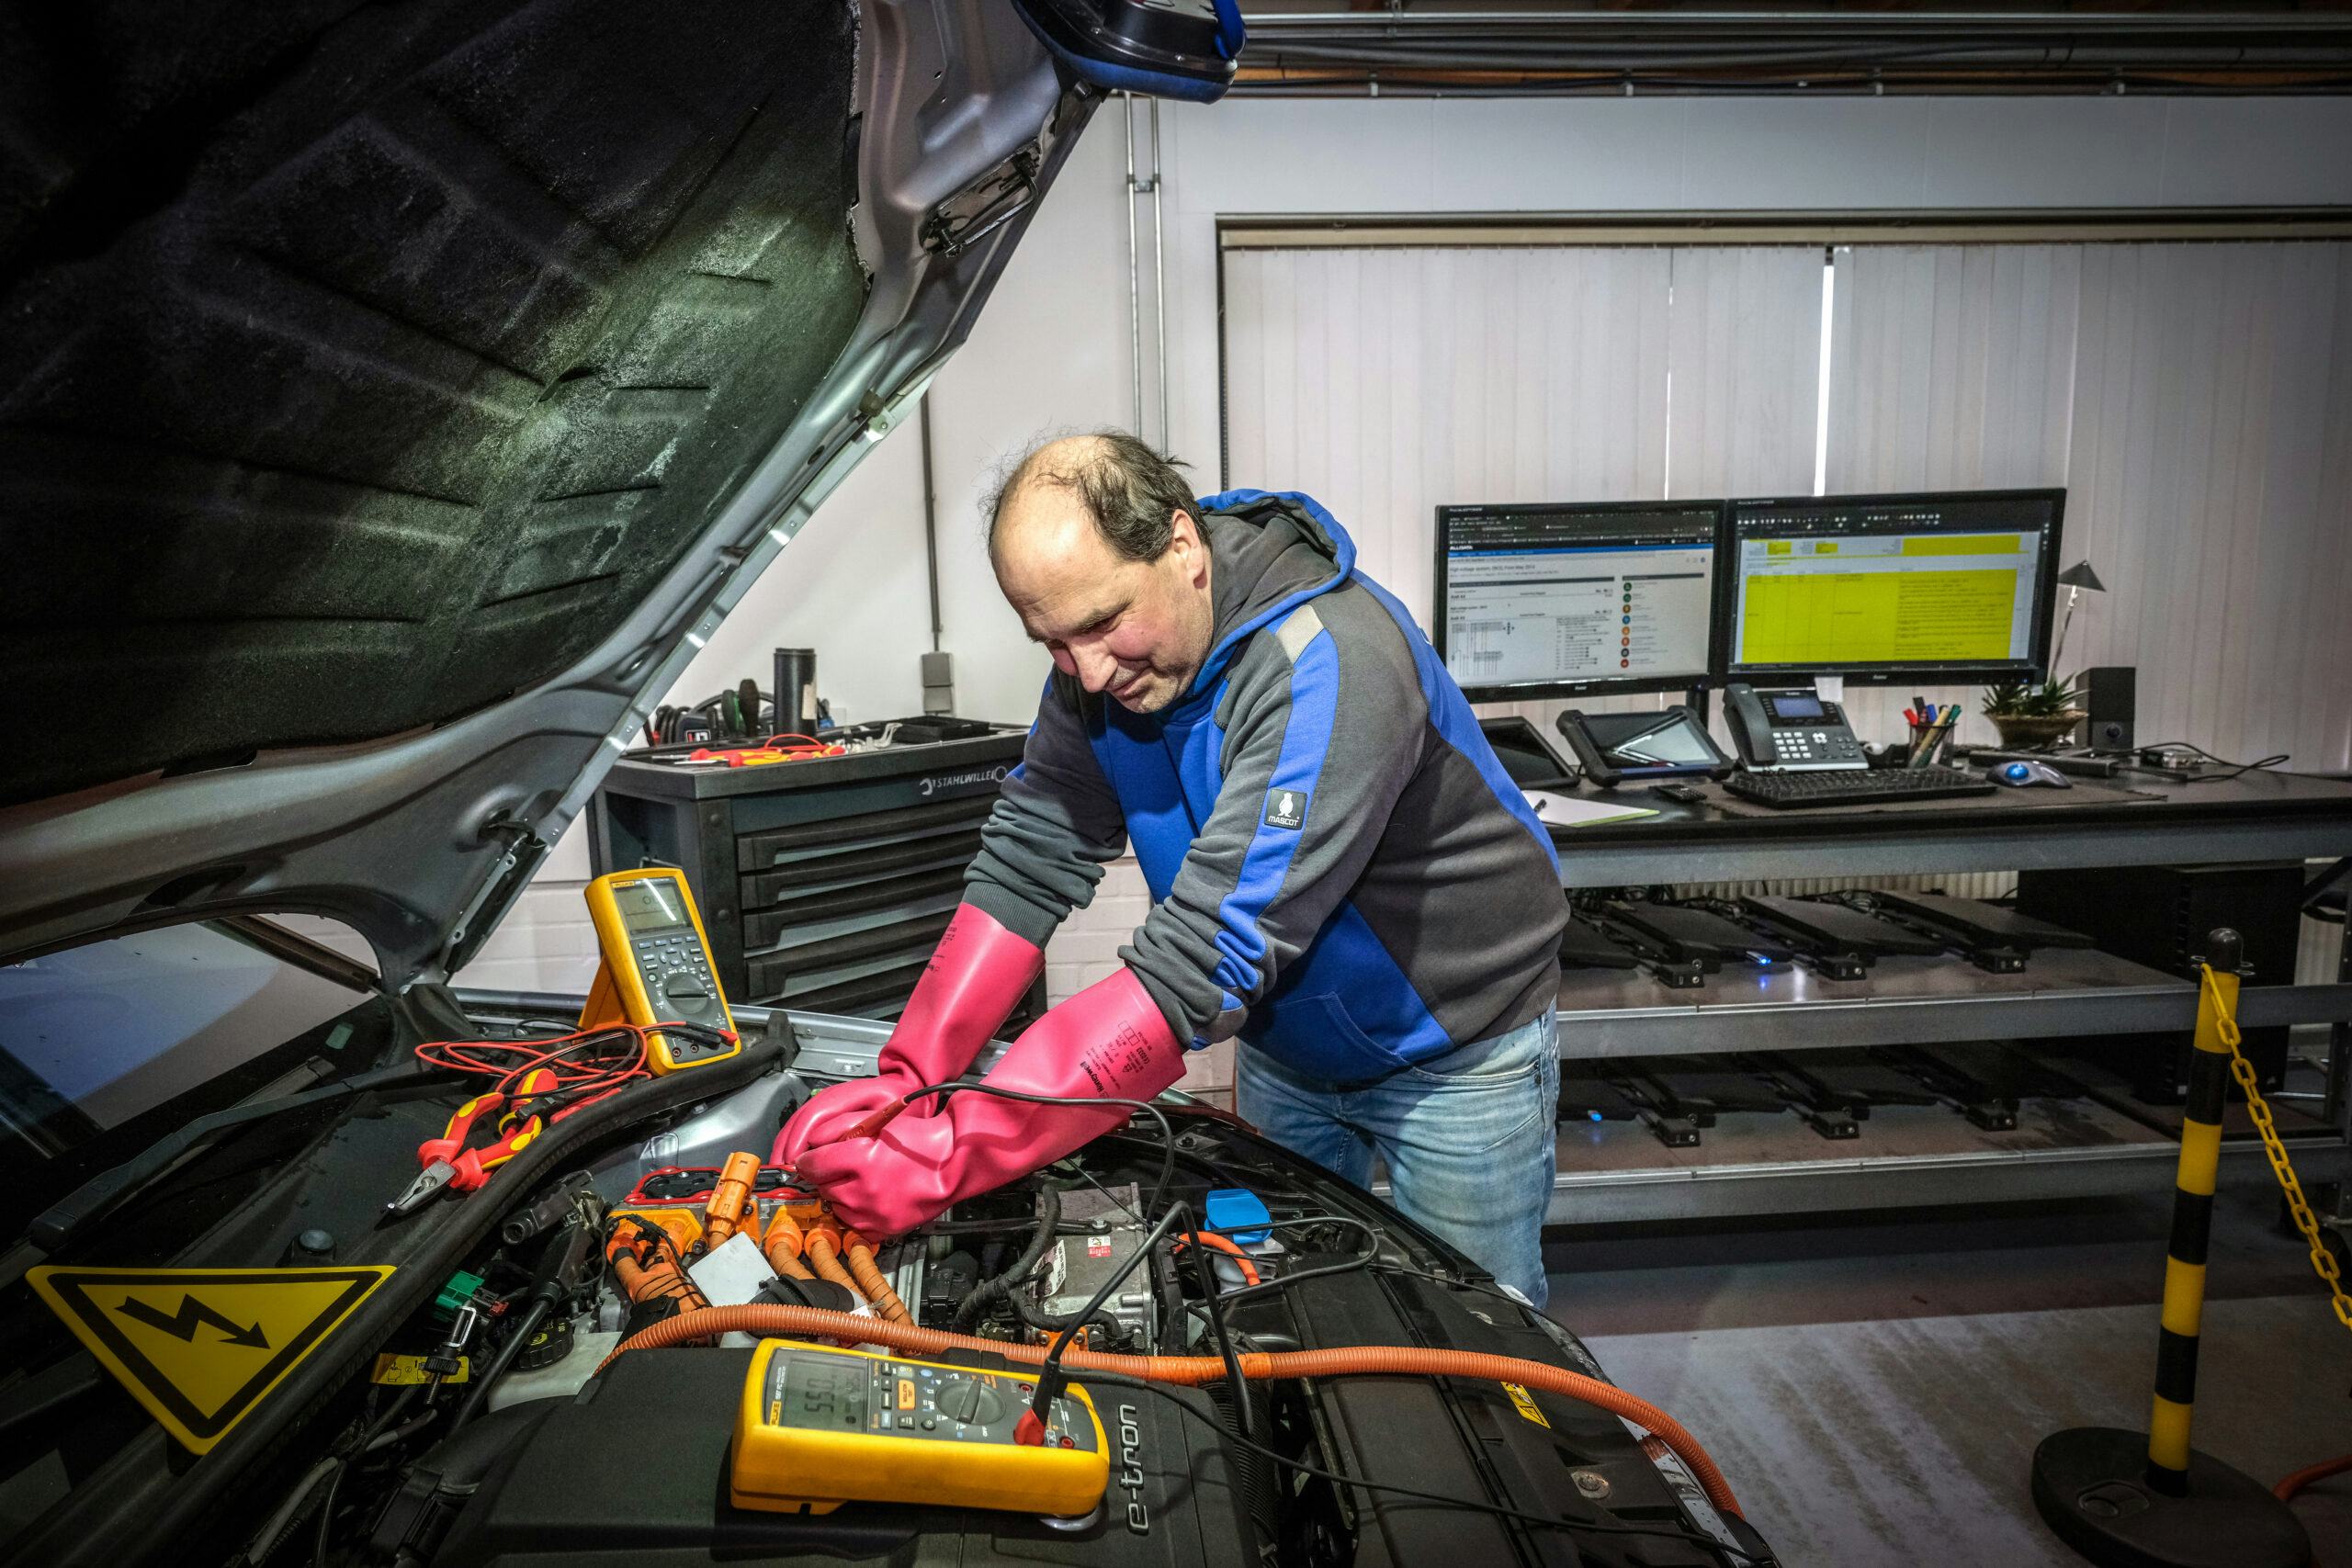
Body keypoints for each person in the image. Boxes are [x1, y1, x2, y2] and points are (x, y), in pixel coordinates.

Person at [780, 433, 1567, 1305]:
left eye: (1102, 623)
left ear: (1183, 549)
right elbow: (1031, 854)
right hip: (1291, 1049)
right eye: (1052, 643)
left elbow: (1202, 955)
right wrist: (910, 1079)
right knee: (1289, 1307)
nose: (1086, 670)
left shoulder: (1334, 664)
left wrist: (953, 1152)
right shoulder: (1100, 670)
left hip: (1455, 1056)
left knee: (1481, 1332)